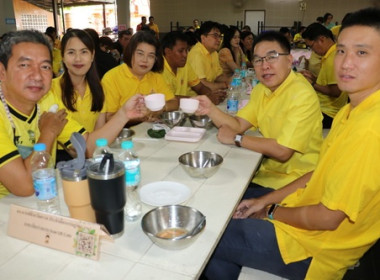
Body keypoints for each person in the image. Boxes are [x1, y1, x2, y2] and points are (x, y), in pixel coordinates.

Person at [203, 7, 380, 280]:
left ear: (292, 60)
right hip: (302, 209)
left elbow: (328, 218)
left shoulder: (370, 128)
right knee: (225, 212)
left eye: (362, 52)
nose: (345, 63)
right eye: (342, 51)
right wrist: (264, 201)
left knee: (208, 233)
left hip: (315, 248)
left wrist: (271, 211)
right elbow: (319, 173)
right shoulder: (353, 110)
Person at [0, 30, 146, 198]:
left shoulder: (47, 101)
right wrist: (48, 132)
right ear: (2, 71)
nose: (37, 75)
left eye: (45, 66)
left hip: (43, 195)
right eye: (25, 65)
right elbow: (24, 187)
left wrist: (124, 114)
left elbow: (88, 147)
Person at [195, 31, 322, 191]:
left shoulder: (301, 94)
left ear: (289, 60)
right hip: (267, 172)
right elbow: (238, 124)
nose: (265, 65)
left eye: (272, 57)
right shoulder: (261, 89)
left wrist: (237, 139)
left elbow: (283, 151)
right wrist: (210, 109)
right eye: (258, 60)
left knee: (218, 191)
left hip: (293, 181)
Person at [102, 31, 178, 121]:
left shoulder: (155, 77)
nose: (145, 60)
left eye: (151, 56)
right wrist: (140, 117)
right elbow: (108, 117)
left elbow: (174, 103)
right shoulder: (111, 78)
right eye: (140, 54)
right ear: (130, 53)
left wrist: (161, 108)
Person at [301, 23, 347, 128]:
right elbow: (329, 82)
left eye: (312, 46)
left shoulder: (332, 59)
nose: (313, 51)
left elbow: (335, 91)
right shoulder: (331, 54)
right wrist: (314, 78)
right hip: (326, 108)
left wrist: (312, 84)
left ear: (321, 39)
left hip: (328, 113)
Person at [187, 21, 230, 104]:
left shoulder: (213, 53)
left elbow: (218, 76)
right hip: (194, 100)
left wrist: (230, 80)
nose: (219, 40)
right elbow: (202, 84)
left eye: (220, 36)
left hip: (210, 94)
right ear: (203, 38)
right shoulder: (196, 54)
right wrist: (225, 85)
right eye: (215, 36)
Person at [161, 31, 212, 100]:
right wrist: (197, 99)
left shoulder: (185, 65)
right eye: (181, 51)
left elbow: (200, 87)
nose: (185, 55)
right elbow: (168, 98)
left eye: (187, 50)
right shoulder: (158, 68)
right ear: (168, 52)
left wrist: (210, 95)